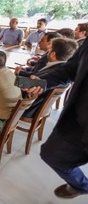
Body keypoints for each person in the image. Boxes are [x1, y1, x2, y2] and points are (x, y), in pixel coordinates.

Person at [24, 38, 88, 199]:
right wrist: (44, 81)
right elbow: (69, 70)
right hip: (78, 119)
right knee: (52, 154)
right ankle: (82, 185)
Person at [21, 38, 77, 118]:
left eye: (50, 49)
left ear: (53, 54)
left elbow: (26, 84)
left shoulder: (56, 74)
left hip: (27, 109)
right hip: (38, 107)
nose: (47, 51)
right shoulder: (59, 67)